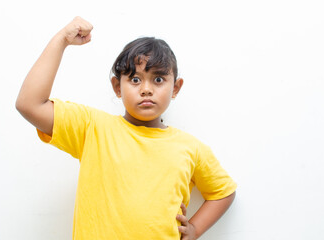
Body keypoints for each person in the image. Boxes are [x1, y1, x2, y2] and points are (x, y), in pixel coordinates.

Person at [16, 16, 237, 240]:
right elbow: (29, 104)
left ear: (176, 87)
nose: (146, 89)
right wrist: (62, 39)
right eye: (134, 79)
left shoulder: (191, 148)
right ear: (117, 86)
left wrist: (196, 229)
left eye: (158, 79)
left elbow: (223, 192)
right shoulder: (93, 128)